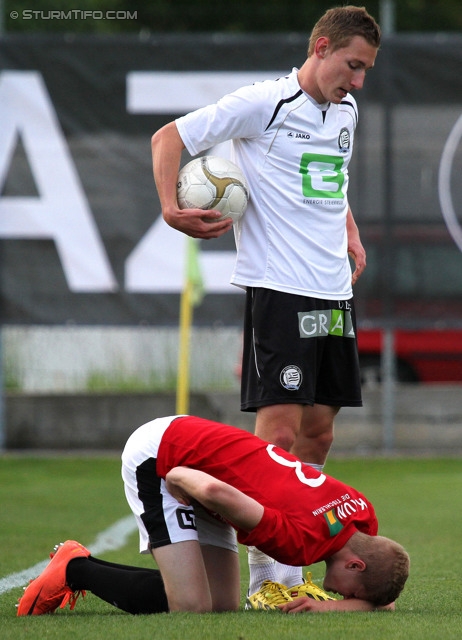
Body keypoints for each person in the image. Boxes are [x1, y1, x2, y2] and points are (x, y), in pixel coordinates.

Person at [151, 5, 381, 593]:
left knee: (320, 434)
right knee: (275, 440)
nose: (357, 81)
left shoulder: (347, 110)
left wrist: (348, 229)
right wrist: (171, 209)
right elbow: (168, 136)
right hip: (280, 289)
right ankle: (270, 576)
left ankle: (289, 550)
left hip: (333, 293)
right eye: (352, 65)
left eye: (365, 71)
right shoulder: (264, 103)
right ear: (322, 47)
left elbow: (333, 179)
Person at [17, 415, 409, 616]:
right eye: (348, 592)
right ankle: (74, 568)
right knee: (190, 604)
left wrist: (328, 607)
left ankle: (84, 566)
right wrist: (178, 476)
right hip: (166, 457)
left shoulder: (363, 518)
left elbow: (380, 600)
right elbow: (214, 491)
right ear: (355, 564)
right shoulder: (299, 541)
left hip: (208, 458)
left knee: (220, 604)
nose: (340, 595)